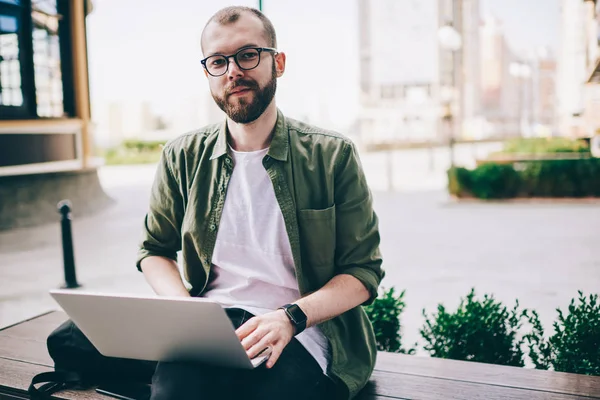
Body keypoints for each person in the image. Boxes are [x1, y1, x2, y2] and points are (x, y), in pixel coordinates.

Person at [136, 6, 384, 400]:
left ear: (278, 62)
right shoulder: (180, 155)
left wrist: (291, 317)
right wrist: (186, 315)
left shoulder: (332, 155)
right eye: (218, 61)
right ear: (208, 74)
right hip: (210, 327)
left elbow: (363, 273)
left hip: (301, 333)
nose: (233, 70)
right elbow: (154, 250)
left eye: (247, 55)